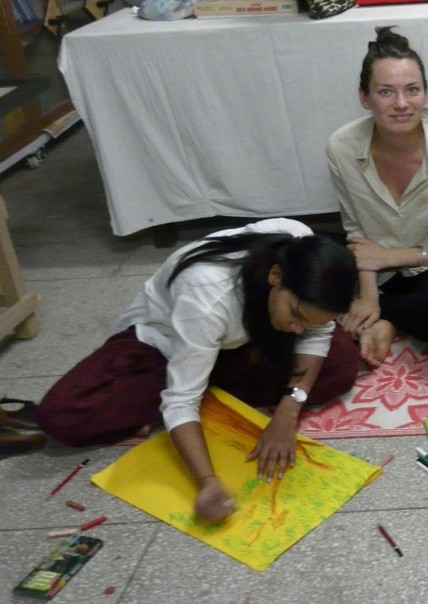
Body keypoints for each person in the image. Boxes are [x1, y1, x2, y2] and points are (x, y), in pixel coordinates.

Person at [36, 218, 360, 522]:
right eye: (296, 315)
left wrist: (287, 414)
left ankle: (198, 384)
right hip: (165, 345)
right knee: (65, 416)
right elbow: (181, 399)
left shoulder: (304, 251)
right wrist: (207, 482)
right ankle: (194, 383)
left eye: (309, 321)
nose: (298, 329)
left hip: (238, 345)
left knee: (342, 364)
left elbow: (317, 333)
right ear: (275, 275)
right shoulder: (207, 295)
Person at [327, 27, 428, 361]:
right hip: (373, 269)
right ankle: (381, 313)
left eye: (412, 90)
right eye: (386, 92)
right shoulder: (342, 147)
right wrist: (369, 292)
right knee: (295, 267)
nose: (401, 104)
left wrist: (388, 259)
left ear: (425, 95)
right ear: (364, 98)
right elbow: (356, 231)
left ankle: (384, 320)